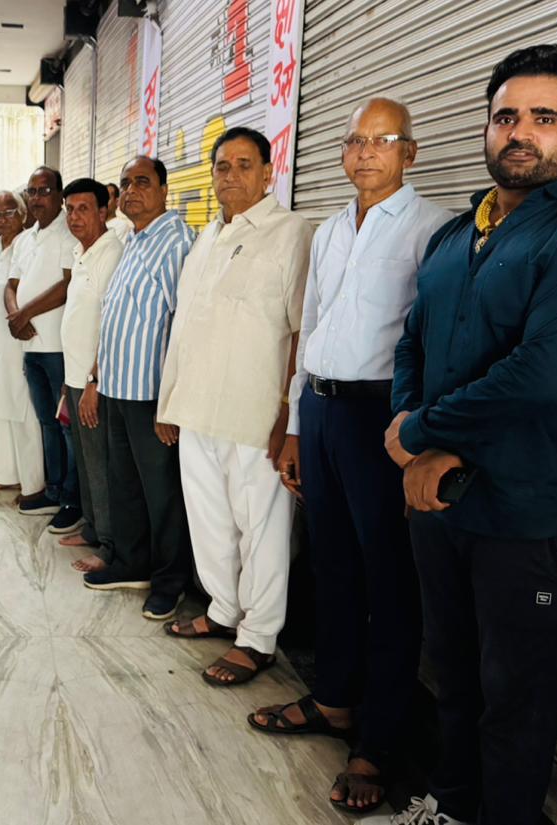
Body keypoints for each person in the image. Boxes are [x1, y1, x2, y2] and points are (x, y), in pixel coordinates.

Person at [368, 46, 557, 825]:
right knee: (453, 674)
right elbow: (412, 341)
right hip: (442, 499)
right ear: (486, 128)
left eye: (544, 117)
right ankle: (452, 807)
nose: (521, 132)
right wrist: (411, 433)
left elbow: (541, 373)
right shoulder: (458, 233)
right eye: (506, 116)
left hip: (531, 511)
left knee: (516, 697)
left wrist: (421, 430)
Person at [247, 100, 454, 814]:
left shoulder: (433, 229)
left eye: (381, 141)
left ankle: (378, 741)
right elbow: (312, 323)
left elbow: (434, 338)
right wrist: (295, 422)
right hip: (323, 408)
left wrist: (418, 432)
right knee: (331, 563)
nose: (365, 152)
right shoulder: (331, 228)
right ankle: (334, 698)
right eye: (355, 141)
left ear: (409, 153)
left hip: (381, 416)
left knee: (388, 577)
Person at [158, 127, 313, 682]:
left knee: (261, 529)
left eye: (245, 165)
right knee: (210, 523)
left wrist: (288, 414)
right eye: (223, 166)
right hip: (197, 409)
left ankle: (259, 636)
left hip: (254, 414)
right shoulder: (206, 237)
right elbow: (184, 325)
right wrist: (168, 402)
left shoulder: (291, 233)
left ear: (268, 172)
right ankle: (223, 610)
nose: (231, 176)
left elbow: (302, 332)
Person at [82, 156, 195, 622]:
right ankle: (131, 564)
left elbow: (182, 328)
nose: (131, 191)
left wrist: (170, 404)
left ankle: (170, 583)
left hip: (151, 396)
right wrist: (95, 379)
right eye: (125, 183)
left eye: (142, 182)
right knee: (125, 485)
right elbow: (115, 316)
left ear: (165, 190)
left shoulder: (178, 242)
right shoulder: (132, 239)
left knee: (163, 495)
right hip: (116, 387)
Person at [7, 166, 83, 533]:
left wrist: (25, 314)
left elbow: (67, 285)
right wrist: (15, 316)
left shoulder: (70, 231)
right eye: (32, 191)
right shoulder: (26, 238)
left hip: (58, 347)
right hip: (30, 346)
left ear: (59, 195)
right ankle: (53, 491)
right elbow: (11, 284)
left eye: (44, 190)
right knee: (46, 423)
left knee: (67, 427)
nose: (37, 198)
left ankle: (72, 499)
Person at [58, 178, 124, 572]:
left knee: (100, 464)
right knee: (84, 462)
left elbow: (111, 326)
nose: (74, 217)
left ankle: (109, 545)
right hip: (75, 378)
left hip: (94, 382)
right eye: (70, 209)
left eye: (83, 209)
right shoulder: (81, 252)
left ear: (103, 211)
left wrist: (93, 383)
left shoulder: (110, 253)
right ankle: (93, 527)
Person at [0, 191, 46, 500]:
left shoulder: (29, 244)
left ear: (23, 213)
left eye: (8, 213)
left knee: (21, 410)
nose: (1, 220)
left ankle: (32, 484)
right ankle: (6, 475)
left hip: (17, 340)